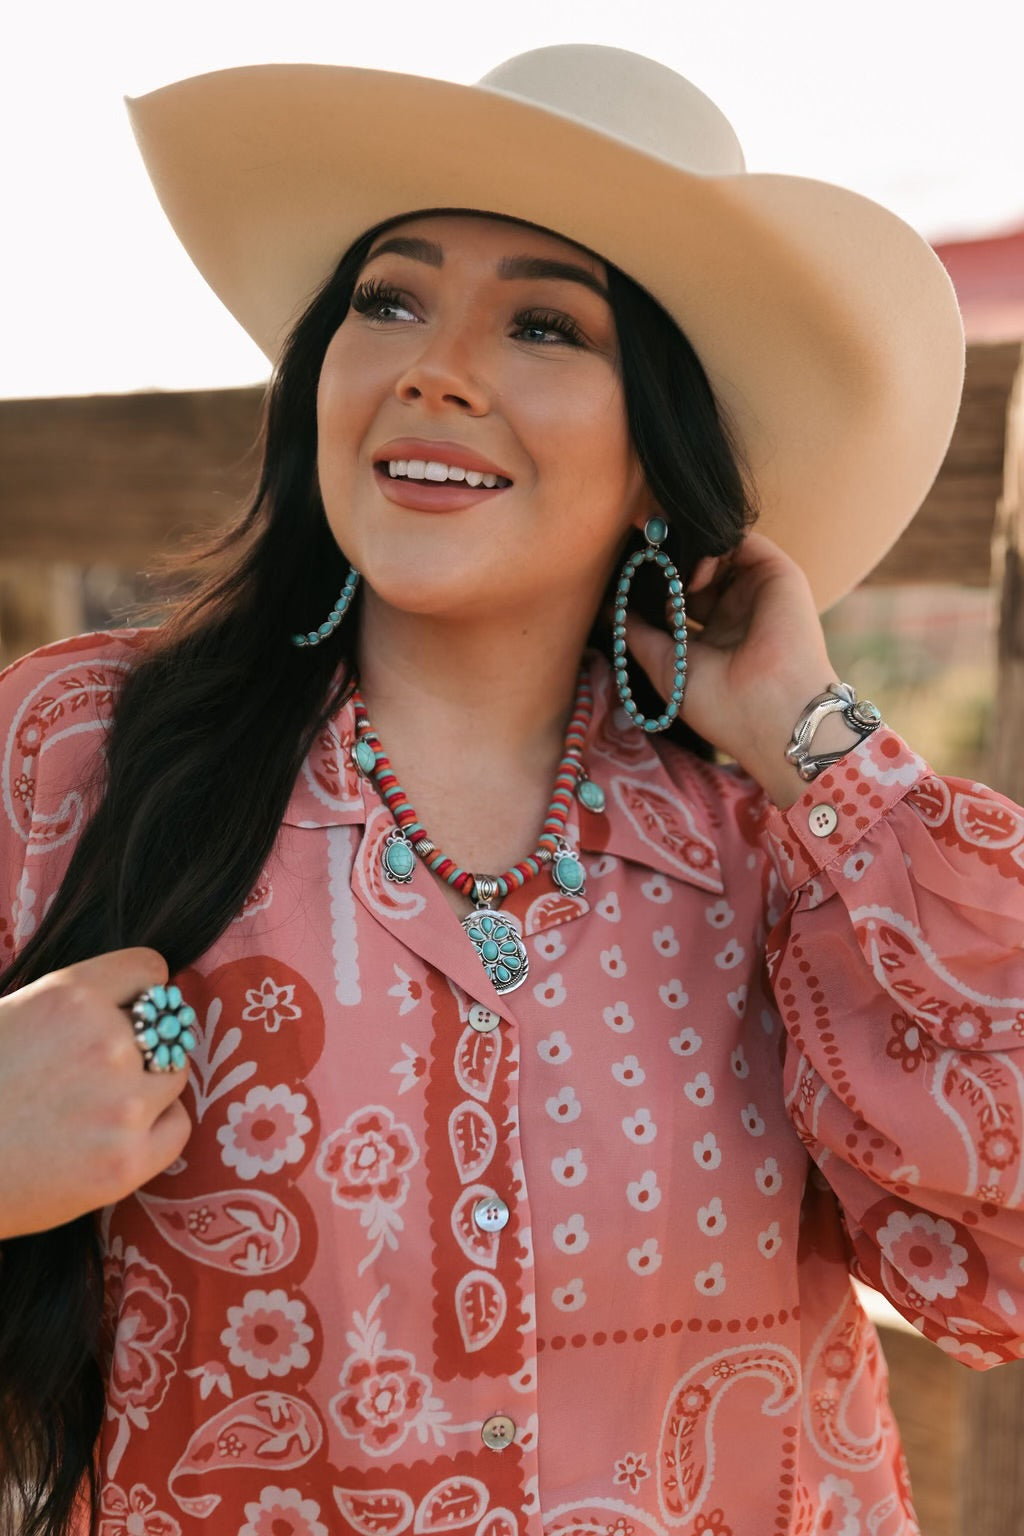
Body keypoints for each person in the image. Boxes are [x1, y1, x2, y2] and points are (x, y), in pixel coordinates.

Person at [1, 41, 1021, 1536]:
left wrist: (813, 737)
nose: (433, 366)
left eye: (546, 323)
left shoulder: (781, 853)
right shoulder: (79, 755)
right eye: (388, 300)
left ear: (662, 453)